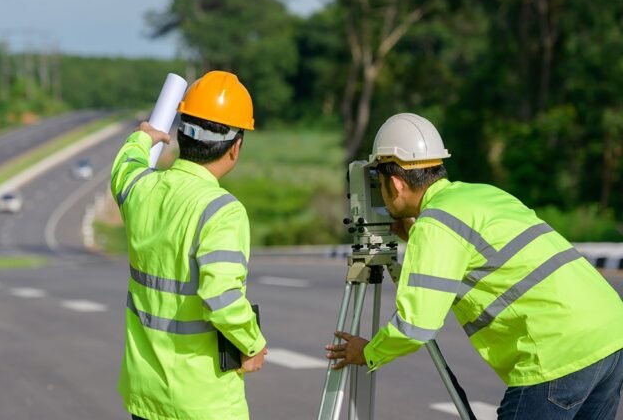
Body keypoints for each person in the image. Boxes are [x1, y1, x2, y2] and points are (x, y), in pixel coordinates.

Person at [326, 113, 623, 419]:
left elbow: (416, 327)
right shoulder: (480, 194)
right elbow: (478, 247)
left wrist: (367, 352)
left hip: (557, 351)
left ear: (397, 184)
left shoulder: (435, 226)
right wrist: (416, 232)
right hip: (609, 335)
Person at [111, 70, 268, 420]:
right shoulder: (222, 211)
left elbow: (124, 168)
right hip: (203, 403)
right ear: (236, 145)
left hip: (146, 396)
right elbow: (222, 298)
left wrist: (141, 138)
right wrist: (253, 344)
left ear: (180, 133)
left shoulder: (140, 190)